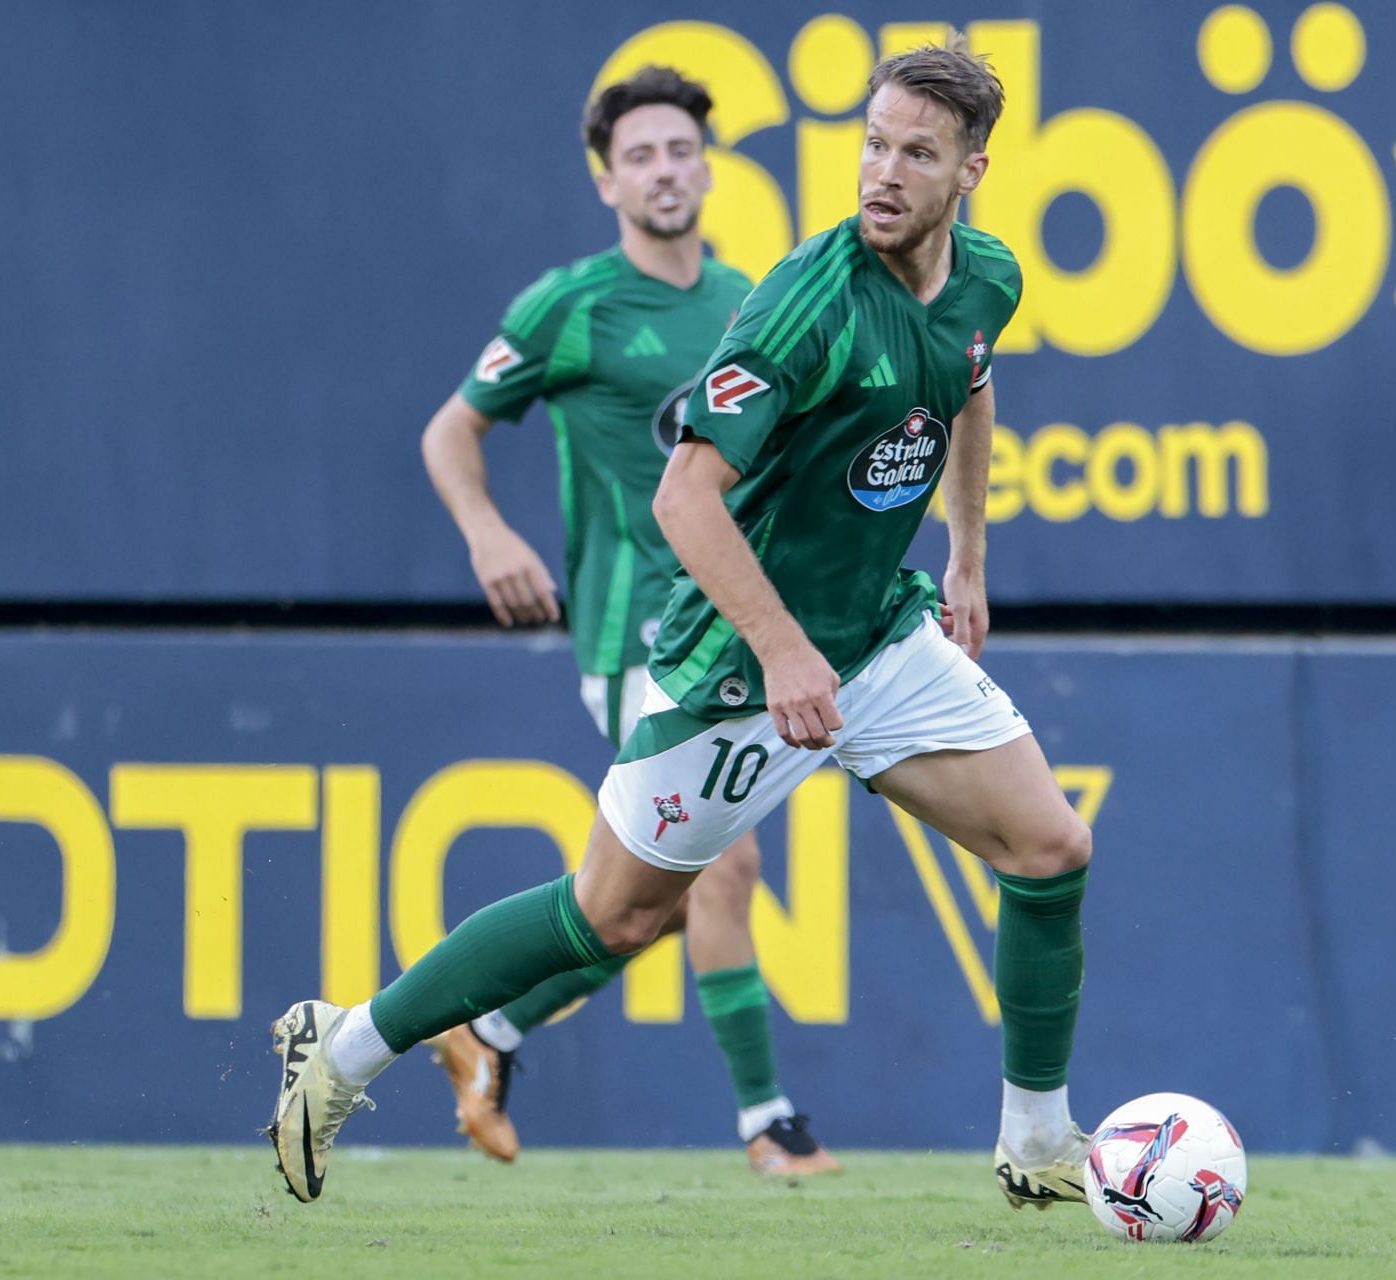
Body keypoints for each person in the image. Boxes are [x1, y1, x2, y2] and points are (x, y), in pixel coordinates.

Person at [267, 36, 1095, 1213]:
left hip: (876, 636)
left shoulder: (988, 276)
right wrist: (781, 649)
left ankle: (1038, 1138)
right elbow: (682, 496)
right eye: (871, 143)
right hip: (737, 666)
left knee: (1051, 848)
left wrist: (966, 550)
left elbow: (967, 380)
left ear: (972, 172)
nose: (884, 172)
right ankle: (340, 1049)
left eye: (918, 151)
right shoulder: (806, 300)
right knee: (614, 911)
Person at [412, 66, 837, 1175]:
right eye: (640, 155)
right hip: (632, 637)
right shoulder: (574, 305)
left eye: (680, 150)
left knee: (646, 898)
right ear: (608, 181)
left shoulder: (752, 300)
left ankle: (489, 1028)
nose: (664, 170)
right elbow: (450, 433)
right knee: (722, 868)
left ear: (707, 166)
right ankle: (770, 1124)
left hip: (740, 630)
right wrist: (487, 535)